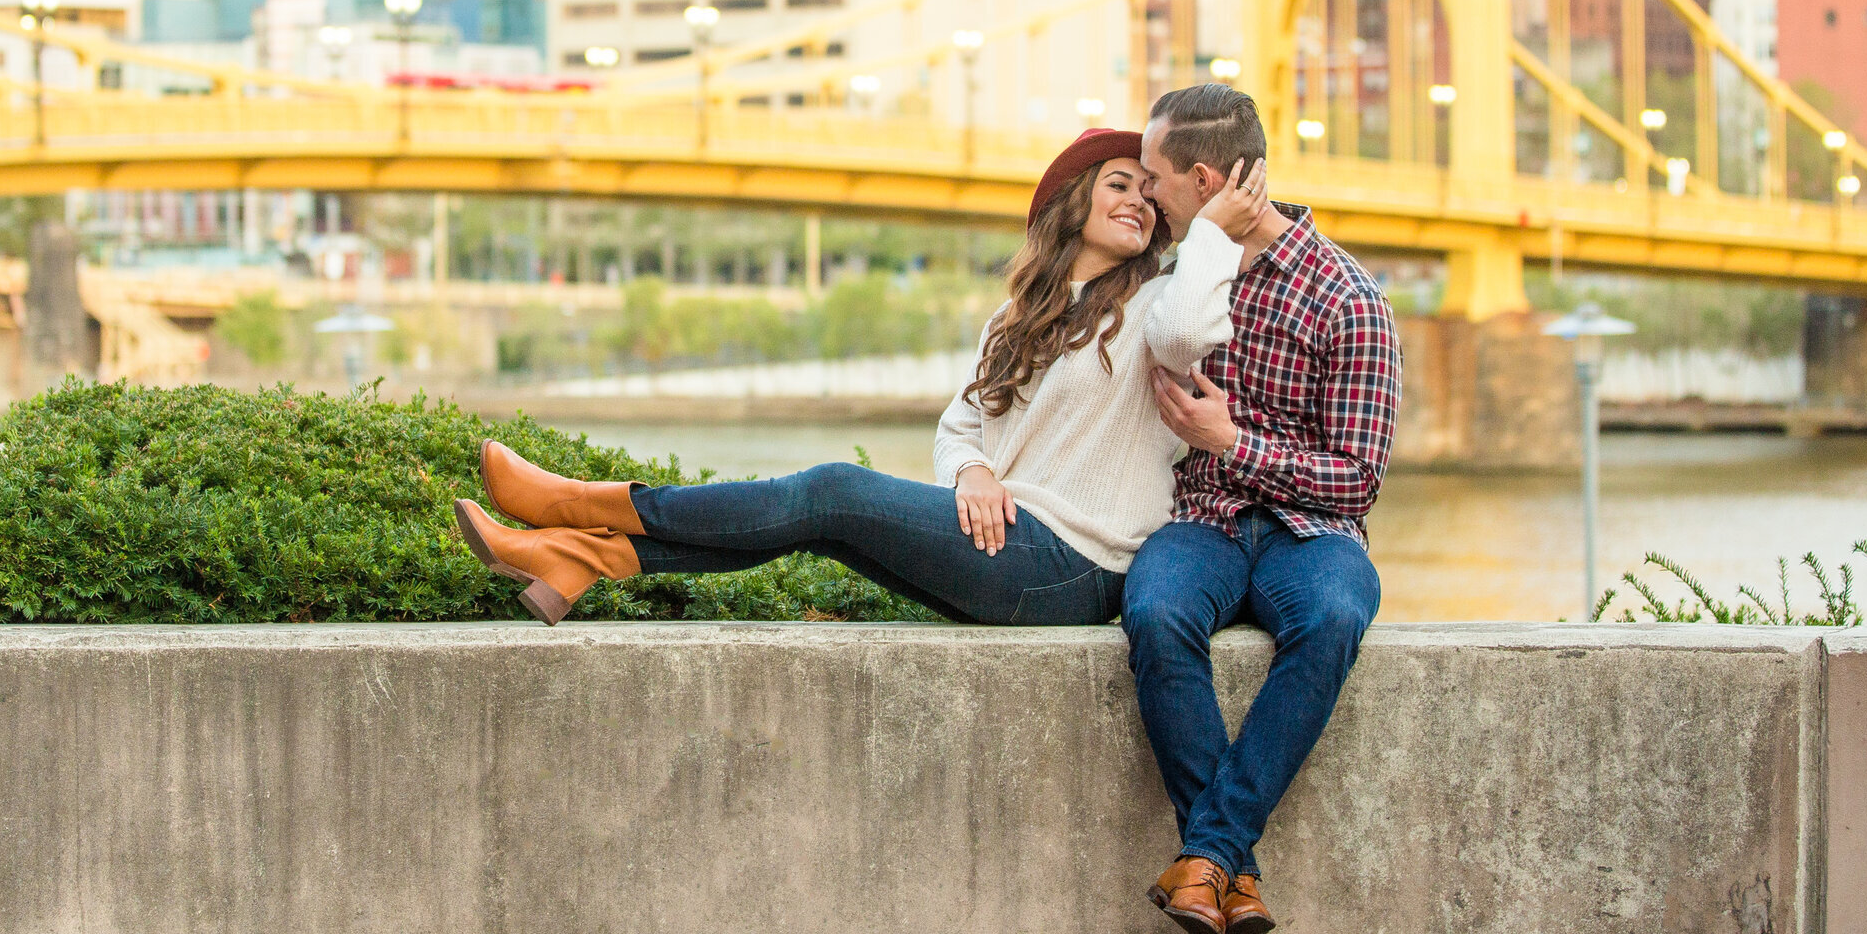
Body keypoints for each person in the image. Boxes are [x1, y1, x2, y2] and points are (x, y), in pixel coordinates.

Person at [447, 127, 1270, 629]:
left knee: (833, 489)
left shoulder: (1163, 300)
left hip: (1080, 567)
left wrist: (1209, 235)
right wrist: (975, 469)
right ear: (1072, 203)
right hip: (1007, 546)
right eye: (1117, 184)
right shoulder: (1016, 320)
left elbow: (1196, 326)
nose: (1138, 202)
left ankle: (579, 504)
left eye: (1149, 198)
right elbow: (958, 426)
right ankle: (585, 557)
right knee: (824, 521)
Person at [1125, 82, 1402, 934]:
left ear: (1205, 179)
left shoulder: (1348, 296)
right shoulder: (1181, 281)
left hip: (1311, 530)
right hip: (1202, 518)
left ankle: (1207, 851)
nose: (1146, 196)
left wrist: (1233, 441)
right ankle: (1225, 872)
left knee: (1333, 616)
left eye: (1156, 178)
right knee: (1156, 609)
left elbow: (1356, 480)